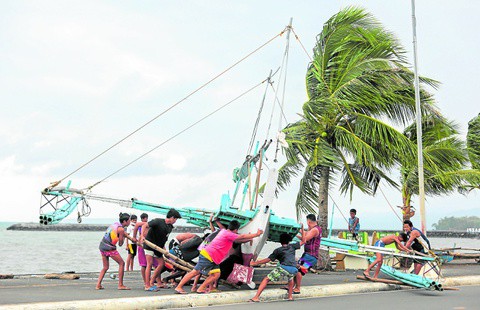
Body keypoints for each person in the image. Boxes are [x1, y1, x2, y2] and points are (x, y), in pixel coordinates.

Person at [174, 220, 263, 294]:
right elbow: (242, 236)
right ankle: (179, 287)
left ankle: (202, 288)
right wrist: (256, 234)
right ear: (236, 230)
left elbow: (240, 239)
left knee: (216, 274)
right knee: (195, 272)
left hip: (213, 258)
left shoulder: (224, 232)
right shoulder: (229, 234)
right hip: (208, 256)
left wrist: (250, 238)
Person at [249, 230, 305, 302]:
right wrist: (302, 230)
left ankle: (256, 297)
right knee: (290, 278)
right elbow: (304, 241)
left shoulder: (278, 250)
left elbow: (268, 259)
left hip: (284, 267)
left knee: (266, 279)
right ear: (289, 241)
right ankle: (290, 296)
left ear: (280, 242)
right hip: (294, 269)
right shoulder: (293, 246)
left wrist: (255, 263)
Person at [136, 208, 182, 291]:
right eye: (175, 219)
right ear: (172, 217)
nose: (175, 221)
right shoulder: (157, 221)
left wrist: (164, 249)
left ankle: (152, 281)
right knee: (149, 264)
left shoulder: (170, 227)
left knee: (161, 264)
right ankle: (147, 285)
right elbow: (144, 225)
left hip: (158, 247)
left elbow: (163, 239)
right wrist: (142, 236)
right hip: (149, 245)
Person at [96, 212, 131, 290]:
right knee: (122, 263)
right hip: (109, 248)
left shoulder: (115, 224)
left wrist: (124, 234)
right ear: (125, 221)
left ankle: (98, 285)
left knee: (105, 267)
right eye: (129, 220)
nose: (130, 222)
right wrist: (124, 236)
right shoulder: (121, 229)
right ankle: (120, 285)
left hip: (102, 246)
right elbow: (121, 244)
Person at [291, 214, 321, 294]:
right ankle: (291, 287)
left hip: (311, 256)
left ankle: (297, 288)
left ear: (308, 222)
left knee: (299, 270)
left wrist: (301, 229)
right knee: (297, 269)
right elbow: (305, 234)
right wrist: (296, 231)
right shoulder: (313, 230)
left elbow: (305, 239)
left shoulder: (315, 230)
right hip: (308, 255)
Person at [132, 213, 158, 289]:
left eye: (147, 218)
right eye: (145, 218)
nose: (146, 219)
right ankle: (146, 282)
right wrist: (134, 237)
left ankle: (153, 281)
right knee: (144, 264)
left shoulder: (154, 227)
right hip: (142, 245)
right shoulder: (144, 224)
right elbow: (136, 225)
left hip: (151, 245)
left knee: (156, 264)